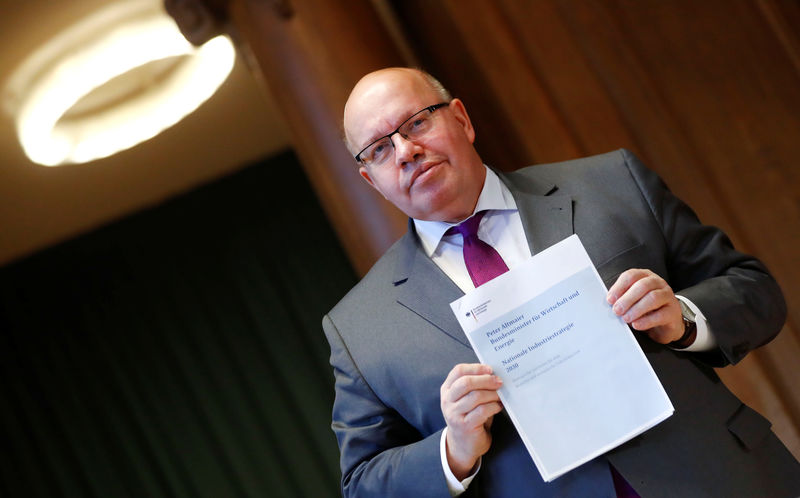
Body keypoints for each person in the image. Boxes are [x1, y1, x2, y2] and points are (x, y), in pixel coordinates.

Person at [322, 67, 800, 497]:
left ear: (462, 119)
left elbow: (754, 290)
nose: (406, 151)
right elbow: (362, 483)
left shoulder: (613, 183)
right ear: (371, 180)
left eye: (417, 123)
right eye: (380, 149)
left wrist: (685, 317)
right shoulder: (359, 328)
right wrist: (453, 449)